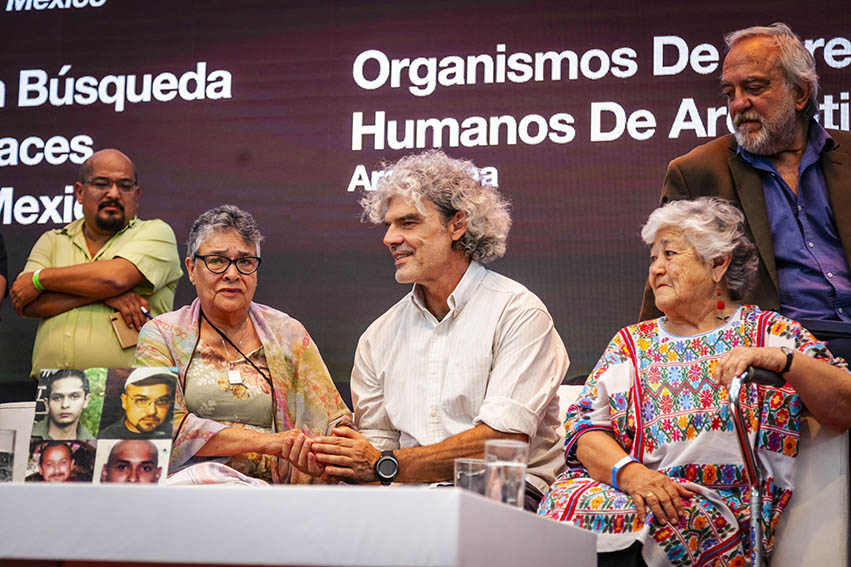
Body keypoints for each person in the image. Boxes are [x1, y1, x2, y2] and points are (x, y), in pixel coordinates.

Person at [539, 197, 850, 566]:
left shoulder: (768, 333)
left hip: (714, 510)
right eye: (653, 258)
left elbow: (844, 407)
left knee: (656, 519)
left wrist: (784, 361)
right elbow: (584, 431)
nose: (656, 269)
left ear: (718, 263)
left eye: (670, 254)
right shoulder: (630, 344)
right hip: (629, 488)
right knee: (564, 503)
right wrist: (632, 474)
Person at [310, 150, 568, 511]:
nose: (389, 238)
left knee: (465, 524)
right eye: (388, 225)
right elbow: (374, 452)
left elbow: (499, 445)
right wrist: (336, 460)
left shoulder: (518, 311)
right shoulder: (378, 336)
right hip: (408, 494)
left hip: (501, 486)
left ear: (457, 225)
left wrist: (386, 465)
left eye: (408, 223)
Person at [639, 24, 851, 360]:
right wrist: (644, 363)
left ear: (800, 93)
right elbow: (668, 284)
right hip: (769, 352)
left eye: (754, 88)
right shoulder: (697, 173)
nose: (739, 104)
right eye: (729, 93)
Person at [135, 205, 352, 484]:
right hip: (190, 489)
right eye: (217, 261)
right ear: (191, 269)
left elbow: (334, 420)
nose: (232, 274)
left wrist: (329, 448)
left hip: (272, 492)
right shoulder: (162, 334)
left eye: (245, 262)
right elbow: (158, 425)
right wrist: (268, 442)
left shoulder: (288, 333)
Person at [9, 148, 183, 377]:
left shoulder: (156, 233)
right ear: (80, 192)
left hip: (138, 388)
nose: (114, 194)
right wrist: (111, 296)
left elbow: (115, 279)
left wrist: (41, 278)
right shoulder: (52, 240)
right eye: (102, 184)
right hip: (55, 389)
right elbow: (27, 303)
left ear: (136, 194)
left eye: (125, 186)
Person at [99, 368, 176, 439]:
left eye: (162, 401)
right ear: (125, 401)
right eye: (141, 400)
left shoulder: (174, 434)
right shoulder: (106, 437)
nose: (152, 411)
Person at [30, 369, 95, 441]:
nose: (65, 405)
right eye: (57, 398)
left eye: (74, 397)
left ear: (86, 400)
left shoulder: (92, 443)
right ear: (47, 403)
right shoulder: (26, 435)